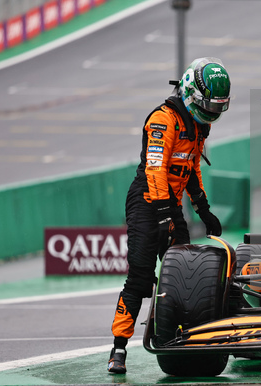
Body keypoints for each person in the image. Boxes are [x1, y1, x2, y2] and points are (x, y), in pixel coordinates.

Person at [107, 57, 231, 374]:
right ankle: (118, 349)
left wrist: (203, 209)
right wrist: (164, 214)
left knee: (187, 270)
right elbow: (156, 169)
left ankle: (185, 336)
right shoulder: (162, 120)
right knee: (140, 276)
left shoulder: (198, 125)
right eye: (208, 104)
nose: (212, 112)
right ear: (191, 92)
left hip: (170, 205)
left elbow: (190, 169)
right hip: (147, 201)